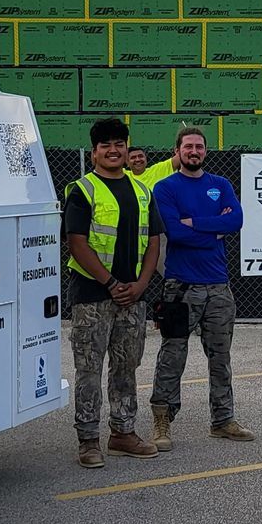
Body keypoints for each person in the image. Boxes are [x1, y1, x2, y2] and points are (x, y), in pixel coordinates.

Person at [62, 117, 165, 468]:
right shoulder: (82, 190)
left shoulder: (141, 191)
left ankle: (122, 433)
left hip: (132, 297)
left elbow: (153, 242)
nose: (113, 150)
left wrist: (140, 285)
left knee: (126, 367)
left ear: (126, 147)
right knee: (89, 369)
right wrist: (109, 283)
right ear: (94, 154)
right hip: (92, 296)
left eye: (119, 143)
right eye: (105, 145)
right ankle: (88, 439)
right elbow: (76, 243)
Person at [148, 127, 250, 448]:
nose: (194, 151)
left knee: (220, 356)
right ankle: (163, 421)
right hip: (180, 287)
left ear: (205, 151)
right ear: (177, 151)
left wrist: (196, 223)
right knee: (172, 354)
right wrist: (213, 229)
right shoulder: (165, 188)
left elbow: (236, 221)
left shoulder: (220, 185)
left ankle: (223, 420)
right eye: (188, 146)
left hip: (218, 286)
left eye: (199, 147)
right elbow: (175, 234)